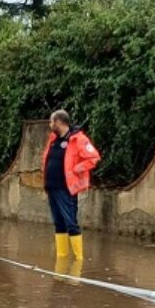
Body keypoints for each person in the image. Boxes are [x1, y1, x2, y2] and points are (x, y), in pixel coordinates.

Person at [42, 110, 101, 261]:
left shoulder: (78, 139)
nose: (50, 125)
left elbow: (93, 158)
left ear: (59, 122)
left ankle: (78, 260)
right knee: (58, 223)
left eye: (51, 121)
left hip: (66, 188)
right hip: (52, 187)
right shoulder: (53, 139)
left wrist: (77, 169)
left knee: (70, 223)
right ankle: (61, 258)